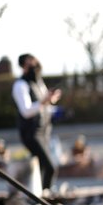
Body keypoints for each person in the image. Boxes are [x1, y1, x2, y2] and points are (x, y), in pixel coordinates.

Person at [12, 53, 61, 191]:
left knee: (39, 168)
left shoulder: (38, 82)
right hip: (31, 133)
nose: (35, 65)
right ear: (23, 67)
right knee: (50, 167)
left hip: (44, 130)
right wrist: (44, 102)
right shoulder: (20, 85)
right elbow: (26, 111)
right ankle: (45, 197)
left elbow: (46, 105)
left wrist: (53, 103)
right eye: (30, 63)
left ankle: (37, 196)